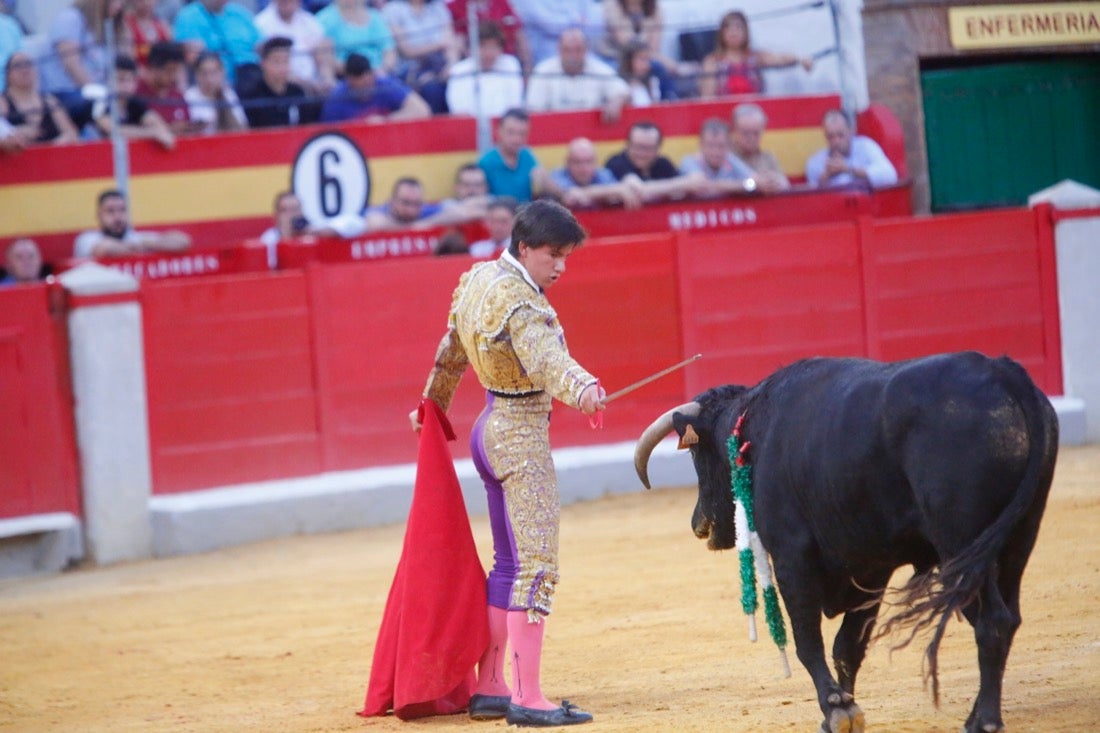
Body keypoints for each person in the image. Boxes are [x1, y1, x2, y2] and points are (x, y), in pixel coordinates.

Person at [413, 198, 603, 728]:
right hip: (518, 441)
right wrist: (582, 387)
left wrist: (431, 405)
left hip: (486, 430)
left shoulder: (477, 280)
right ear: (525, 247)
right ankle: (529, 696)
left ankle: (494, 686)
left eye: (566, 256)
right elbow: (547, 359)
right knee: (537, 568)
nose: (560, 266)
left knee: (509, 564)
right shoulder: (522, 302)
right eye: (553, 255)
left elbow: (450, 350)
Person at [38, 0, 126, 128]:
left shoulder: (105, 27)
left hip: (96, 93)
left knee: (133, 106)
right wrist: (100, 95)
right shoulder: (70, 18)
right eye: (116, 1)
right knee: (102, 108)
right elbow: (71, 65)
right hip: (65, 93)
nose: (120, 6)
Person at [698, 9, 812, 99]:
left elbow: (779, 58)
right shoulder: (713, 61)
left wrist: (800, 59)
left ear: (746, 32)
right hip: (724, 117)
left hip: (755, 113)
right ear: (722, 33)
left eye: (738, 27)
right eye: (728, 28)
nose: (733, 32)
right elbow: (707, 98)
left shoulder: (755, 57)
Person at [525, 27, 629, 124]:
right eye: (567, 50)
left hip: (592, 134)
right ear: (559, 50)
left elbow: (624, 92)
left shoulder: (599, 69)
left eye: (578, 50)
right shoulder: (543, 71)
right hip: (554, 133)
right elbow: (534, 111)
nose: (573, 56)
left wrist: (617, 101)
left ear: (586, 50)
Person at [382, 0, 457, 114]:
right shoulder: (393, 9)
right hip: (412, 69)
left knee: (461, 79)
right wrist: (439, 44)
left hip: (442, 66)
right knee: (433, 89)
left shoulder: (438, 8)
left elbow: (451, 44)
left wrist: (451, 66)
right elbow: (407, 50)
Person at [74, 189, 192, 258]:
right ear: (99, 215)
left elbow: (183, 241)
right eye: (110, 211)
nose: (117, 217)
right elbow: (105, 249)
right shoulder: (86, 239)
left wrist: (146, 244)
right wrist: (144, 246)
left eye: (122, 210)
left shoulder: (136, 237)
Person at [93, 54, 177, 149]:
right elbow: (112, 130)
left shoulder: (134, 103)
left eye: (130, 80)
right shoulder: (99, 100)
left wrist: (156, 131)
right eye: (120, 79)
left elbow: (159, 126)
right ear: (108, 80)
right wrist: (151, 133)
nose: (126, 85)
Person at [254, 0, 337, 95]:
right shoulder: (261, 24)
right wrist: (309, 85)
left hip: (317, 86)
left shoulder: (309, 20)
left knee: (324, 44)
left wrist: (326, 80)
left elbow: (324, 55)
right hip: (285, 87)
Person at [237, 36, 322, 128]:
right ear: (263, 63)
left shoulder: (297, 92)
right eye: (276, 61)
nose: (282, 67)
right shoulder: (251, 95)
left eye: (286, 61)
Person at [319, 52, 430, 123]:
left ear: (372, 75)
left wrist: (386, 120)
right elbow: (329, 132)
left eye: (369, 83)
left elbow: (422, 110)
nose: (366, 88)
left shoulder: (385, 85)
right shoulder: (337, 99)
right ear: (349, 80)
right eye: (361, 85)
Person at [445, 20, 523, 119]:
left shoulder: (510, 64)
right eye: (483, 46)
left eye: (493, 46)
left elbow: (515, 104)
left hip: (506, 126)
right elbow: (459, 110)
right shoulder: (459, 70)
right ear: (471, 49)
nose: (489, 53)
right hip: (470, 127)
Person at [805, 108, 899, 190]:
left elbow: (890, 176)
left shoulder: (866, 146)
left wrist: (848, 170)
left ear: (851, 131)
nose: (836, 141)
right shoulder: (815, 162)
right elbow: (814, 199)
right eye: (831, 137)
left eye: (840, 135)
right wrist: (827, 176)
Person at [172, 0, 261, 86]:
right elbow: (191, 56)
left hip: (251, 76)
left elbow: (261, 45)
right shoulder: (188, 17)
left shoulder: (240, 13)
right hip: (214, 82)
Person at [0, 52, 80, 146]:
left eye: (28, 64)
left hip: (53, 157)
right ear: (8, 74)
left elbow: (71, 132)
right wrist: (14, 132)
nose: (24, 70)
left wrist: (55, 144)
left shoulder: (49, 101)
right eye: (18, 66)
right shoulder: (2, 103)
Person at [541, 136, 641, 209]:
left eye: (588, 161)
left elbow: (621, 196)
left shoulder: (603, 174)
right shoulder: (557, 177)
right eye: (577, 162)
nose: (584, 168)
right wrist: (614, 191)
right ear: (567, 163)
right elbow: (572, 197)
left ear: (595, 162)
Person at [678, 117, 758, 198]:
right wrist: (745, 185)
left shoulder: (729, 159)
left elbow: (756, 180)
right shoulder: (689, 162)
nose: (715, 152)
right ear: (701, 145)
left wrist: (750, 184)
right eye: (710, 145)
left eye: (721, 146)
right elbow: (703, 186)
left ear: (729, 146)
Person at [477, 107, 543, 203]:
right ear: (499, 130)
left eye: (522, 134)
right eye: (511, 133)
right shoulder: (486, 162)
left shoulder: (527, 156)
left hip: (526, 214)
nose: (516, 139)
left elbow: (538, 190)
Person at [135, 40, 202, 134]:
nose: (174, 76)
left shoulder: (178, 96)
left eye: (176, 71)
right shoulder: (136, 95)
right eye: (170, 71)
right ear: (153, 67)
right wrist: (168, 130)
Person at [316, 0, 397, 75]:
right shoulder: (324, 19)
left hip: (380, 74)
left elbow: (389, 49)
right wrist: (359, 73)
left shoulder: (375, 16)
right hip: (348, 77)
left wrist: (382, 70)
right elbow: (325, 58)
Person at [444, 0, 528, 71]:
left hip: (504, 61)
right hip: (474, 64)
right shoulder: (455, 6)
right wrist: (452, 64)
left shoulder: (502, 2)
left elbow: (519, 36)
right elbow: (457, 40)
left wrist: (528, 67)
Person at [517, 0, 601, 67]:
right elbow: (550, 25)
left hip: (583, 49)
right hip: (545, 56)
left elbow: (595, 20)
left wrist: (576, 24)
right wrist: (576, 20)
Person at [729, 102, 789, 192]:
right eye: (746, 133)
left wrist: (776, 182)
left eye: (756, 133)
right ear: (735, 131)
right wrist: (753, 184)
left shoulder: (768, 158)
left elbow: (785, 185)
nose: (751, 138)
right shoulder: (724, 157)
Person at [184, 50, 248, 134]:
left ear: (222, 72)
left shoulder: (229, 94)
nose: (209, 79)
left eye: (214, 73)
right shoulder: (188, 96)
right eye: (204, 73)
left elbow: (243, 128)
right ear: (196, 74)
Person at [362, 177, 443, 230]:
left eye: (416, 204)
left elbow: (454, 211)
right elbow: (374, 222)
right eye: (405, 203)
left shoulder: (423, 210)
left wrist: (428, 222)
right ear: (392, 201)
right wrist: (410, 228)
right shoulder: (381, 212)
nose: (411, 210)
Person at [617, 37, 676, 108]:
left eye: (648, 60)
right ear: (628, 61)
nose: (647, 65)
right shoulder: (618, 85)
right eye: (642, 59)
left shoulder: (653, 82)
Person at [121, 0, 173, 72]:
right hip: (136, 75)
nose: (146, 3)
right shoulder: (126, 24)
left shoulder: (163, 26)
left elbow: (171, 57)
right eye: (141, 1)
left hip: (160, 77)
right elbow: (129, 58)